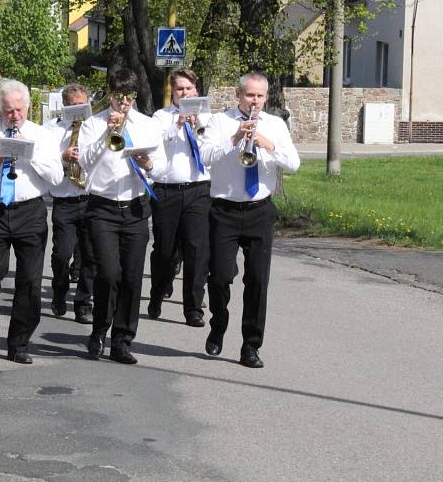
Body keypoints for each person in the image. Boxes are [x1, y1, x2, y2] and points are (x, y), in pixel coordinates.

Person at [199, 72, 300, 368]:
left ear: (265, 97)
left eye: (259, 96)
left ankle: (250, 346)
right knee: (218, 277)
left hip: (259, 210)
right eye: (249, 95)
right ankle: (219, 322)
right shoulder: (221, 121)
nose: (254, 101)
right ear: (237, 95)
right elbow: (205, 156)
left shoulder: (275, 125)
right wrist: (235, 138)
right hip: (224, 210)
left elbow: (293, 163)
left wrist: (267, 144)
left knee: (257, 281)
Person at [0, 79, 63, 364]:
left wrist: (29, 155)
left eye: (19, 110)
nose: (14, 116)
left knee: (29, 281)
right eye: (8, 111)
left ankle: (19, 343)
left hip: (29, 211)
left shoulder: (42, 135)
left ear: (28, 108)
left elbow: (56, 178)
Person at [77, 68, 166, 365]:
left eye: (128, 97)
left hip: (136, 207)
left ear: (135, 96)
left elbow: (161, 168)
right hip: (102, 207)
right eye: (118, 96)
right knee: (108, 273)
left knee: (130, 277)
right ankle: (99, 329)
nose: (123, 103)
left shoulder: (147, 125)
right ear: (109, 94)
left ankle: (122, 341)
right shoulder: (92, 123)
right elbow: (86, 163)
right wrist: (107, 132)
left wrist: (147, 162)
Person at [148, 69, 211, 326]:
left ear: (195, 89)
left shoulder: (207, 115)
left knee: (197, 250)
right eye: (179, 89)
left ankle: (193, 308)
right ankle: (157, 293)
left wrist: (198, 125)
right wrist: (178, 124)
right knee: (165, 250)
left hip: (198, 188)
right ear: (172, 91)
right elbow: (156, 143)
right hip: (167, 189)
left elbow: (212, 147)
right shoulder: (160, 117)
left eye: (188, 88)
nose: (184, 93)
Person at [43, 82, 95, 324]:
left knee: (89, 255)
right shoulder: (53, 131)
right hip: (64, 200)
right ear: (64, 107)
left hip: (92, 199)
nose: (78, 109)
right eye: (73, 106)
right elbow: (43, 162)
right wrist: (62, 157)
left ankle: (84, 303)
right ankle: (60, 290)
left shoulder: (95, 128)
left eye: (82, 105)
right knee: (62, 254)